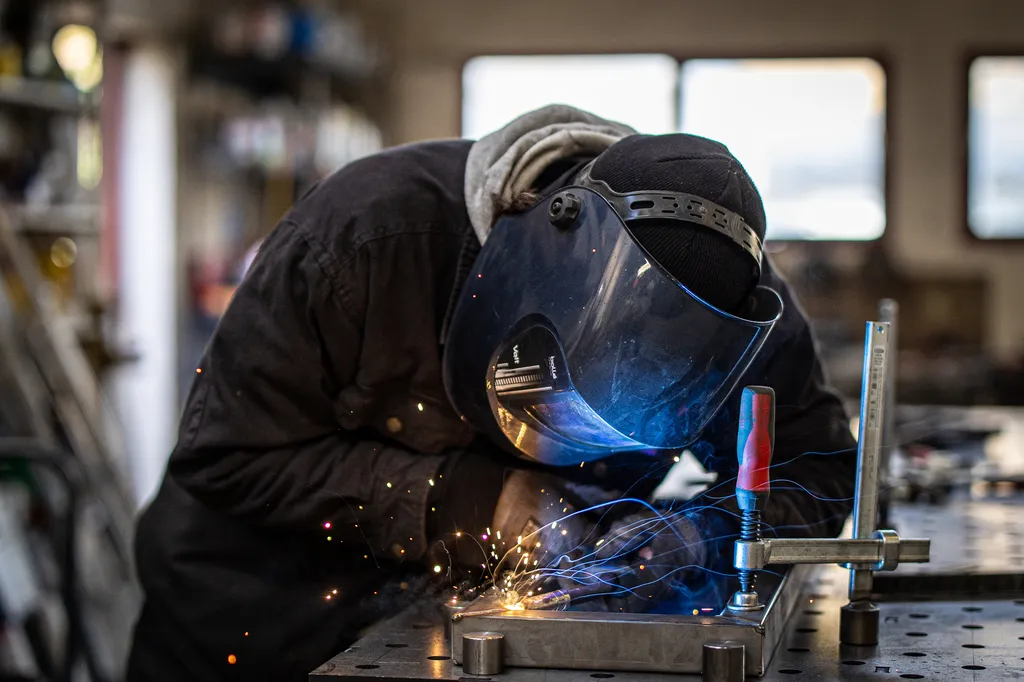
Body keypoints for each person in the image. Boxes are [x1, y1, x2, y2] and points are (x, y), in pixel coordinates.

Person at [126, 106, 856, 681]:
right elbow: (224, 456)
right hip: (252, 622)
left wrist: (698, 536)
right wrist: (474, 502)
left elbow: (819, 467)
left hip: (471, 642)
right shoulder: (363, 239)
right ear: (534, 249)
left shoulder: (739, 312)